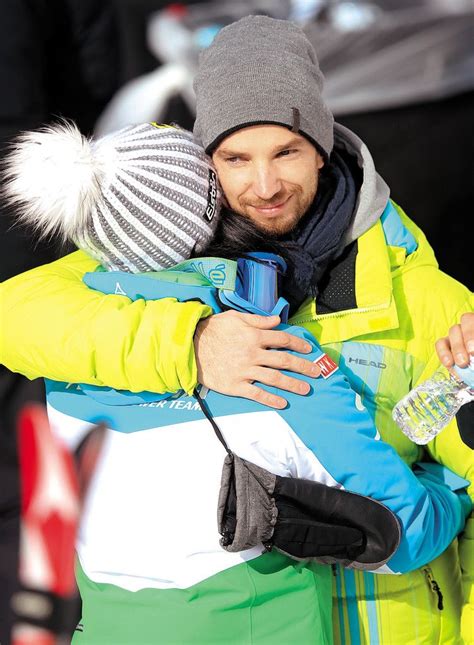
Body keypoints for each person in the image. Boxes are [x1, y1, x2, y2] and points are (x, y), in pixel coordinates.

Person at [0, 15, 473, 644]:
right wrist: (189, 345)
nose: (265, 186)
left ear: (323, 145)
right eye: (236, 158)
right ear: (205, 161)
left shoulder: (420, 293)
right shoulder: (159, 251)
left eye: (287, 152)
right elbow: (18, 313)